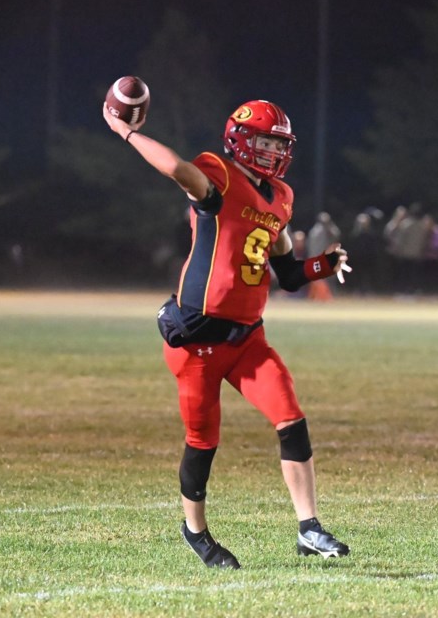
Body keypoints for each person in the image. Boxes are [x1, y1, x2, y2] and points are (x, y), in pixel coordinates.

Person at [102, 98, 352, 569]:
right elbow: (174, 166)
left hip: (247, 340)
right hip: (197, 341)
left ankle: (309, 528)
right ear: (239, 139)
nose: (272, 151)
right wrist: (126, 132)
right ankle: (195, 532)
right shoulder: (216, 175)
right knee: (203, 441)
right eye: (264, 140)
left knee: (291, 419)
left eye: (278, 144)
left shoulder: (280, 196)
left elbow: (288, 273)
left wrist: (324, 263)